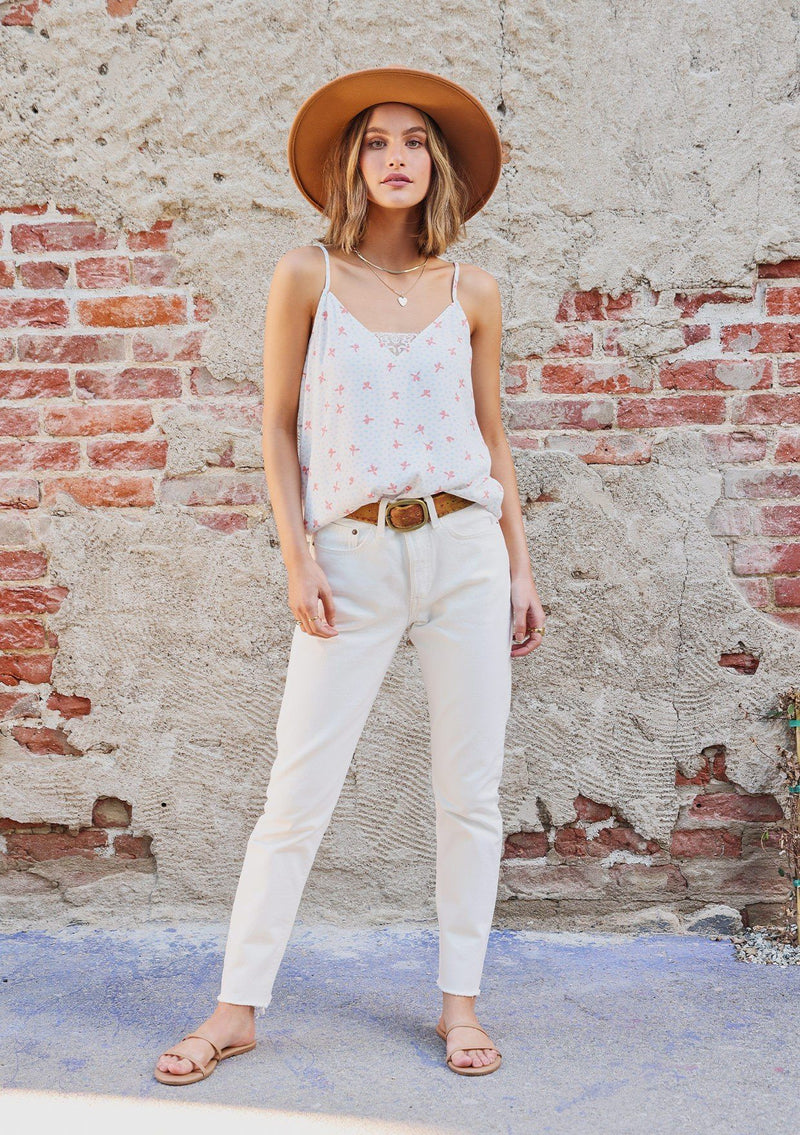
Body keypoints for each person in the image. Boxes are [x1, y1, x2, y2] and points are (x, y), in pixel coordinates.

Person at [154, 65, 546, 1085]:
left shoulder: (474, 291)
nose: (396, 159)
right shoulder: (305, 276)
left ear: (438, 164)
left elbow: (492, 438)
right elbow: (276, 428)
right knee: (297, 791)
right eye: (377, 141)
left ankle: (459, 1006)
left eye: (415, 142)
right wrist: (297, 557)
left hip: (463, 548)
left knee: (468, 793)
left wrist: (518, 567)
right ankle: (235, 1009)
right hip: (351, 555)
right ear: (350, 162)